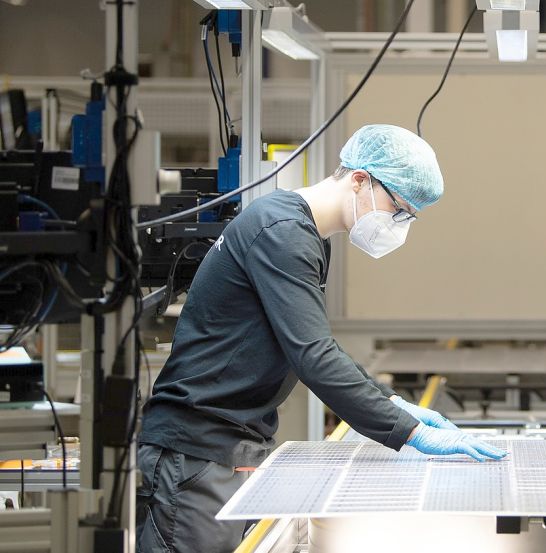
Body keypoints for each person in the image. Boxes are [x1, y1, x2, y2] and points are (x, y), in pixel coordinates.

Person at [135, 124, 505, 553]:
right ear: (360, 179)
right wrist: (405, 430)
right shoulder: (282, 231)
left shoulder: (303, 234)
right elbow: (312, 354)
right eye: (398, 208)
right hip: (197, 447)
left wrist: (391, 402)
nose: (398, 224)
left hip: (226, 443)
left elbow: (312, 344)